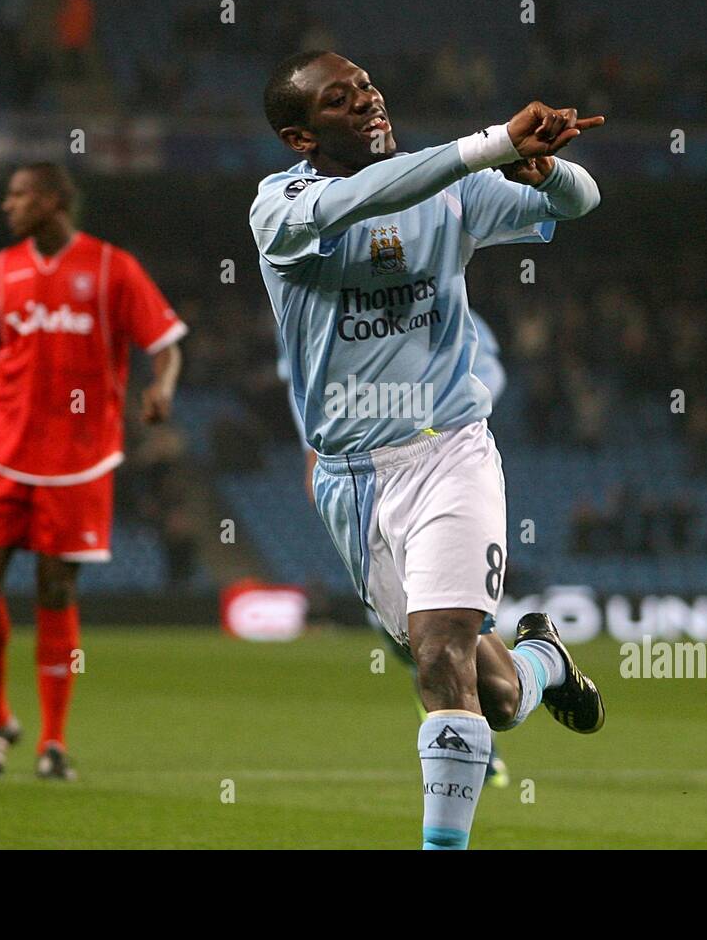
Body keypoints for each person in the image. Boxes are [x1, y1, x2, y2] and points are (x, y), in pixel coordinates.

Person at [250, 51, 605, 849]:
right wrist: (489, 145)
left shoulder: (449, 185)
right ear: (300, 137)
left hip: (448, 451)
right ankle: (544, 660)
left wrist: (545, 172)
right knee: (498, 697)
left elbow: (583, 201)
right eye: (341, 102)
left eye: (369, 85)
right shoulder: (280, 209)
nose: (369, 102)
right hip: (351, 480)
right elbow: (374, 194)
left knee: (441, 653)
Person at [0, 163, 187, 780]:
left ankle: (53, 743)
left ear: (53, 200)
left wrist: (162, 387)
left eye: (18, 195)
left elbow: (165, 343)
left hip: (79, 459)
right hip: (2, 453)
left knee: (54, 590)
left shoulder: (112, 267)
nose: (6, 206)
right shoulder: (0, 271)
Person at [278, 308, 513, 790]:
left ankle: (463, 727)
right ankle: (534, 669)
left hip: (439, 464)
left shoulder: (440, 292)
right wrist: (314, 455)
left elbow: (488, 374)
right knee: (432, 650)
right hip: (354, 477)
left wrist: (437, 415)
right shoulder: (315, 295)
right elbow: (305, 382)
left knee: (447, 646)